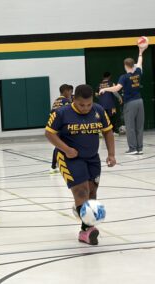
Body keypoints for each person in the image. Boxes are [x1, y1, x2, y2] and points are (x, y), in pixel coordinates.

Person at [45, 84, 116, 245]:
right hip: (69, 159)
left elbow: (108, 131)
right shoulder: (61, 113)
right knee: (81, 191)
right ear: (73, 100)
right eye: (81, 105)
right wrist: (66, 149)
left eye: (89, 104)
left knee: (92, 193)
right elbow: (49, 133)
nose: (85, 108)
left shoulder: (98, 110)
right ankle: (88, 229)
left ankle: (83, 220)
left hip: (92, 158)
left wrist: (111, 154)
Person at [99, 45, 147, 154]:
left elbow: (117, 88)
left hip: (130, 103)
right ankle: (140, 148)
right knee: (139, 126)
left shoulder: (124, 77)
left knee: (130, 126)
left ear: (125, 65)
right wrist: (141, 51)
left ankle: (133, 149)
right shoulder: (138, 72)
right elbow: (140, 62)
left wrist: (105, 89)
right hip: (140, 101)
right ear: (133, 64)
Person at [50, 84, 73, 174]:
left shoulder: (56, 101)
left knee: (59, 145)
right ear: (66, 91)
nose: (71, 94)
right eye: (70, 92)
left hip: (54, 126)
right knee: (60, 146)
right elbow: (70, 114)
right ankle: (53, 166)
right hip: (62, 126)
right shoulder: (66, 101)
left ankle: (54, 166)